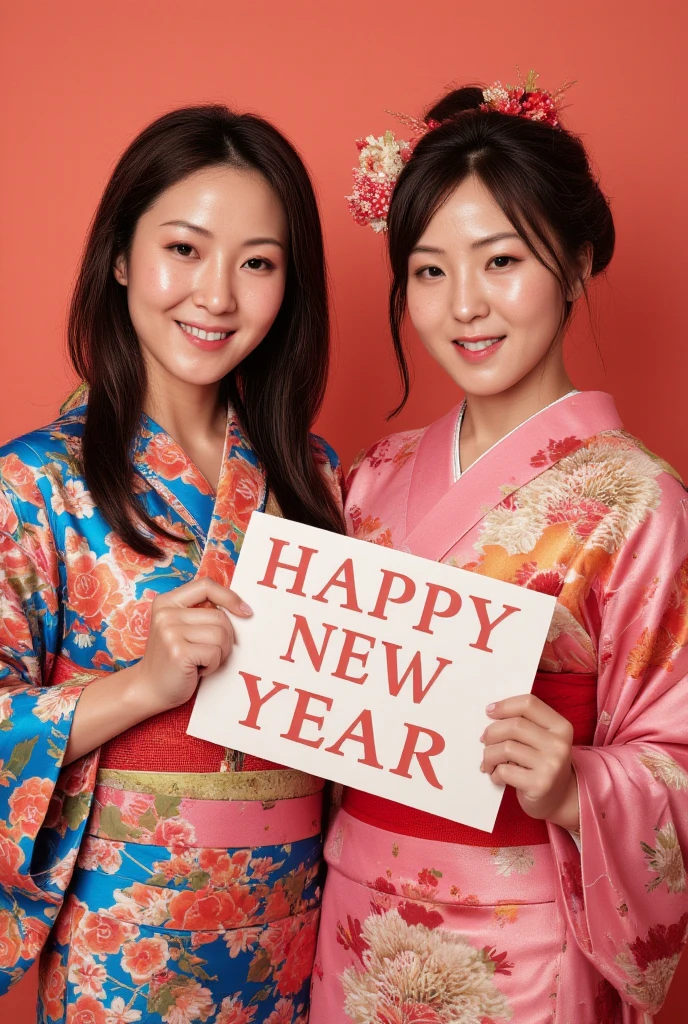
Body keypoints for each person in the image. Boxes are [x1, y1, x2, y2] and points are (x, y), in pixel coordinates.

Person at [312, 75, 688, 1023]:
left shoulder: (640, 502)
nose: (464, 305)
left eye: (501, 261)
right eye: (430, 270)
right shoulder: (374, 475)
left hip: (521, 943)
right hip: (353, 925)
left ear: (577, 260)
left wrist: (577, 783)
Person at [0, 104, 344, 1023]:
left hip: (300, 927)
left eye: (258, 263)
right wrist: (144, 687)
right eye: (184, 249)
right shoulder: (34, 483)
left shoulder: (317, 478)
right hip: (126, 929)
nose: (218, 295)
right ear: (119, 258)